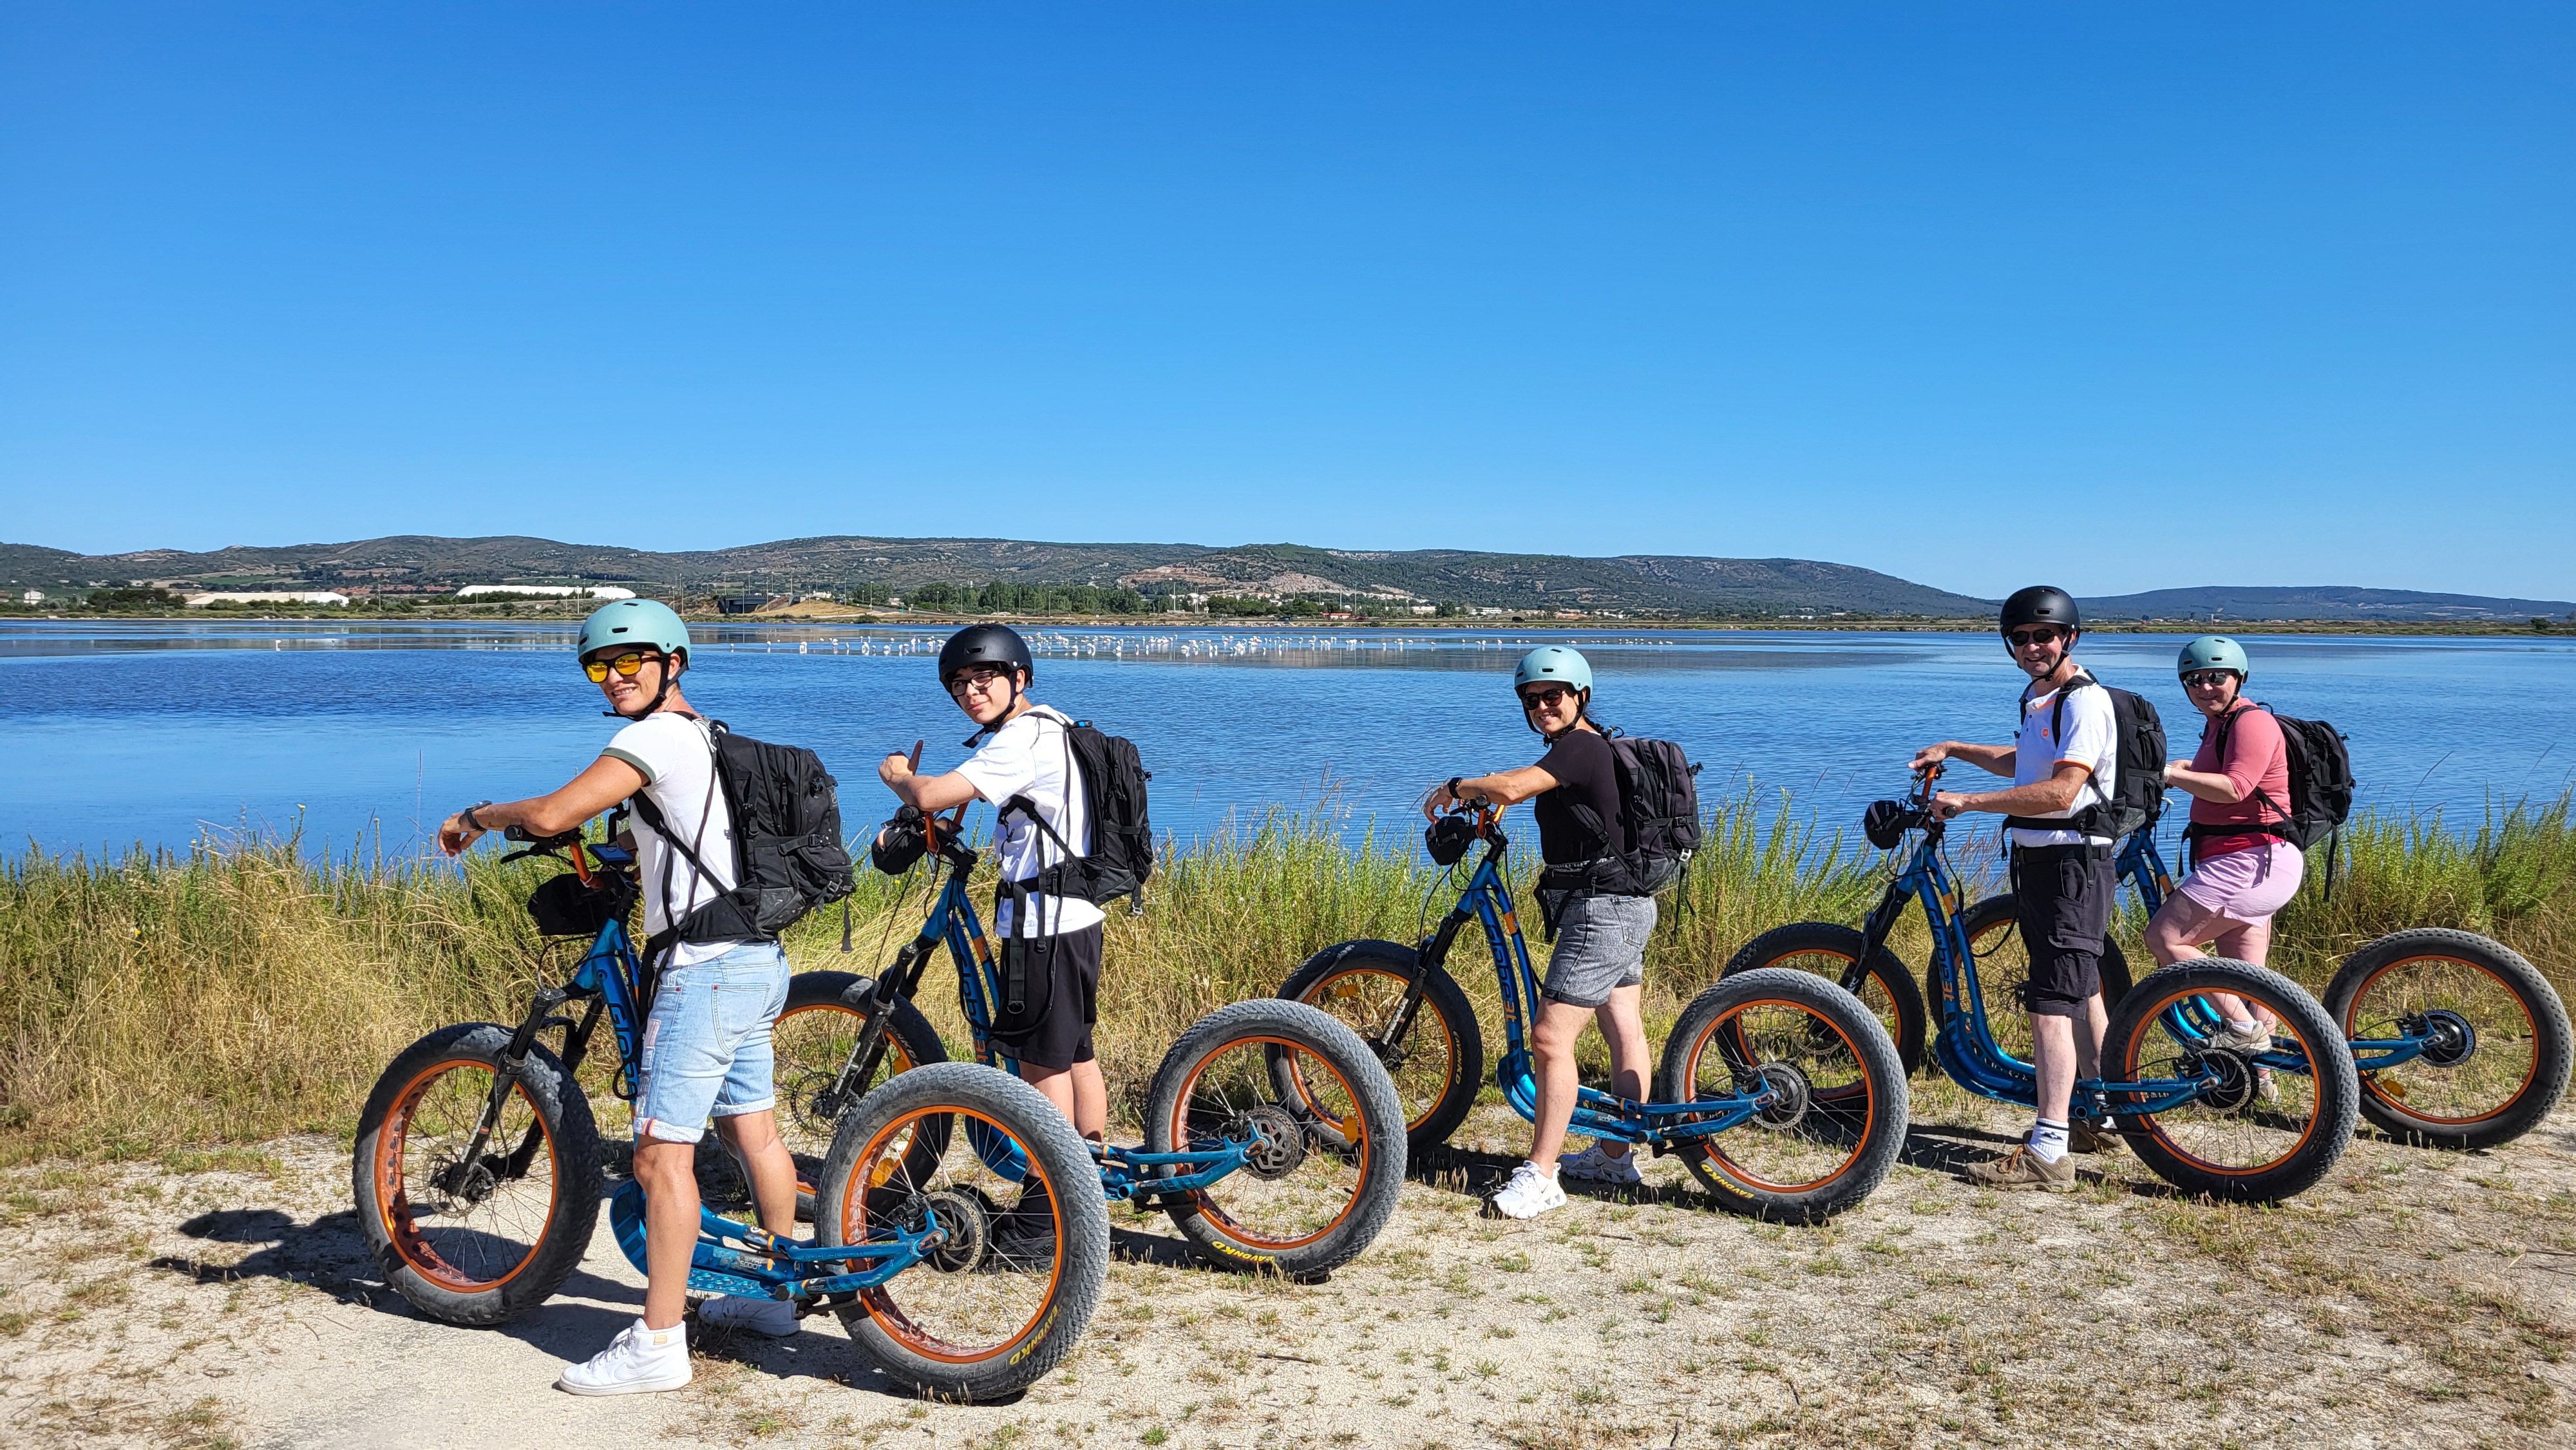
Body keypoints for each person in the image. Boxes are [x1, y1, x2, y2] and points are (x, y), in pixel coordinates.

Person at [437, 599, 799, 1395]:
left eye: (631, 660)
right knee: (755, 1133)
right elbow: (678, 839)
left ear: (673, 662)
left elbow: (553, 813)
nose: (615, 676)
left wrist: (478, 816)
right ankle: (778, 1298)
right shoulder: (712, 735)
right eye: (600, 665)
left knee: (659, 1154)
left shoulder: (650, 736)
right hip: (755, 956)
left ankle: (657, 1343)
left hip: (703, 969)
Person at [877, 624, 1100, 1260]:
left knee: (1042, 1067)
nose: (971, 690)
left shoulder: (1022, 737)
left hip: (1043, 923)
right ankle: (1086, 1180)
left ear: (1018, 679)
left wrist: (897, 774)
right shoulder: (1052, 725)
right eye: (959, 684)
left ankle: (1043, 1217)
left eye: (984, 678)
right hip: (1076, 914)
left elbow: (927, 792)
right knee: (1076, 1054)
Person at [1421, 645, 1656, 1219]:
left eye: (1555, 696)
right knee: (1623, 1028)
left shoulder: (1581, 745)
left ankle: (1541, 1176)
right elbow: (1545, 791)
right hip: (1624, 905)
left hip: (1602, 913)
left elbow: (1515, 786)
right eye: (1533, 699)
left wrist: (1457, 787)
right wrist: (1497, 800)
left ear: (1580, 697)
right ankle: (1615, 1156)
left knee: (1551, 1038)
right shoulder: (1584, 748)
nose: (1544, 706)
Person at [1908, 586, 2123, 1188]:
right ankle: (2102, 1114)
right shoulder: (2041, 699)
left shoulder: (2085, 702)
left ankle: (2049, 1150)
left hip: (2070, 866)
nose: (2032, 647)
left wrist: (1968, 803)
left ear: (2069, 639)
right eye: (2021, 638)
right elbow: (2024, 764)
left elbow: (2060, 793)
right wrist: (1955, 748)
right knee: (2080, 992)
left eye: (2043, 637)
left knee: (2051, 1003)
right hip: (2043, 863)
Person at [2143, 636, 2302, 1050]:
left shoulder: (2252, 722)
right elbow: (2222, 773)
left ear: (2239, 678)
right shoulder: (2221, 726)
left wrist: (2170, 775)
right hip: (2252, 860)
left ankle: (2242, 1034)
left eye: (2216, 677)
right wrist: (2185, 767)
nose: (2205, 687)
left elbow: (2236, 787)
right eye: (2194, 680)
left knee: (2165, 938)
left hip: (2248, 859)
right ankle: (2261, 1079)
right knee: (2245, 975)